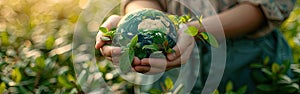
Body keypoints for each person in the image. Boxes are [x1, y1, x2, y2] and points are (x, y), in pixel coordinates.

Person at [95, 0, 295, 93]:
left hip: (246, 60)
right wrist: (140, 21)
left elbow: (266, 7)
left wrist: (193, 30)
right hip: (164, 54)